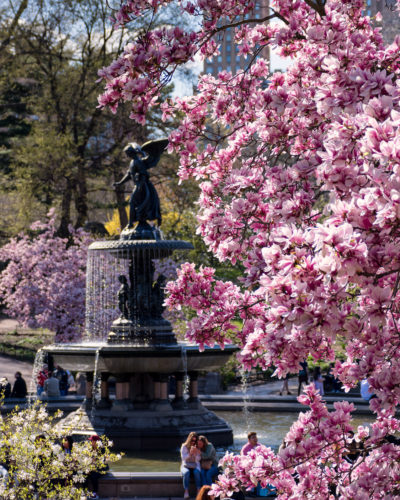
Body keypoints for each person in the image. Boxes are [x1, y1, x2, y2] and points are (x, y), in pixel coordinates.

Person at [85, 434, 109, 500]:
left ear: (96, 442)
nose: (90, 442)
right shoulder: (90, 449)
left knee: (94, 475)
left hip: (102, 468)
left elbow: (101, 463)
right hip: (92, 467)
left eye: (92, 440)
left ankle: (95, 493)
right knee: (84, 474)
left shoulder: (102, 449)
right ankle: (85, 491)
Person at [181, 431, 201, 499]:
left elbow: (199, 459)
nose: (193, 442)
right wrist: (190, 454)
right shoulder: (184, 446)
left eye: (195, 441)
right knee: (186, 473)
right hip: (186, 465)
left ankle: (198, 491)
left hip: (195, 466)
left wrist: (195, 454)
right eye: (192, 440)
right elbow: (183, 458)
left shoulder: (198, 447)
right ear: (189, 439)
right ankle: (186, 491)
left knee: (197, 473)